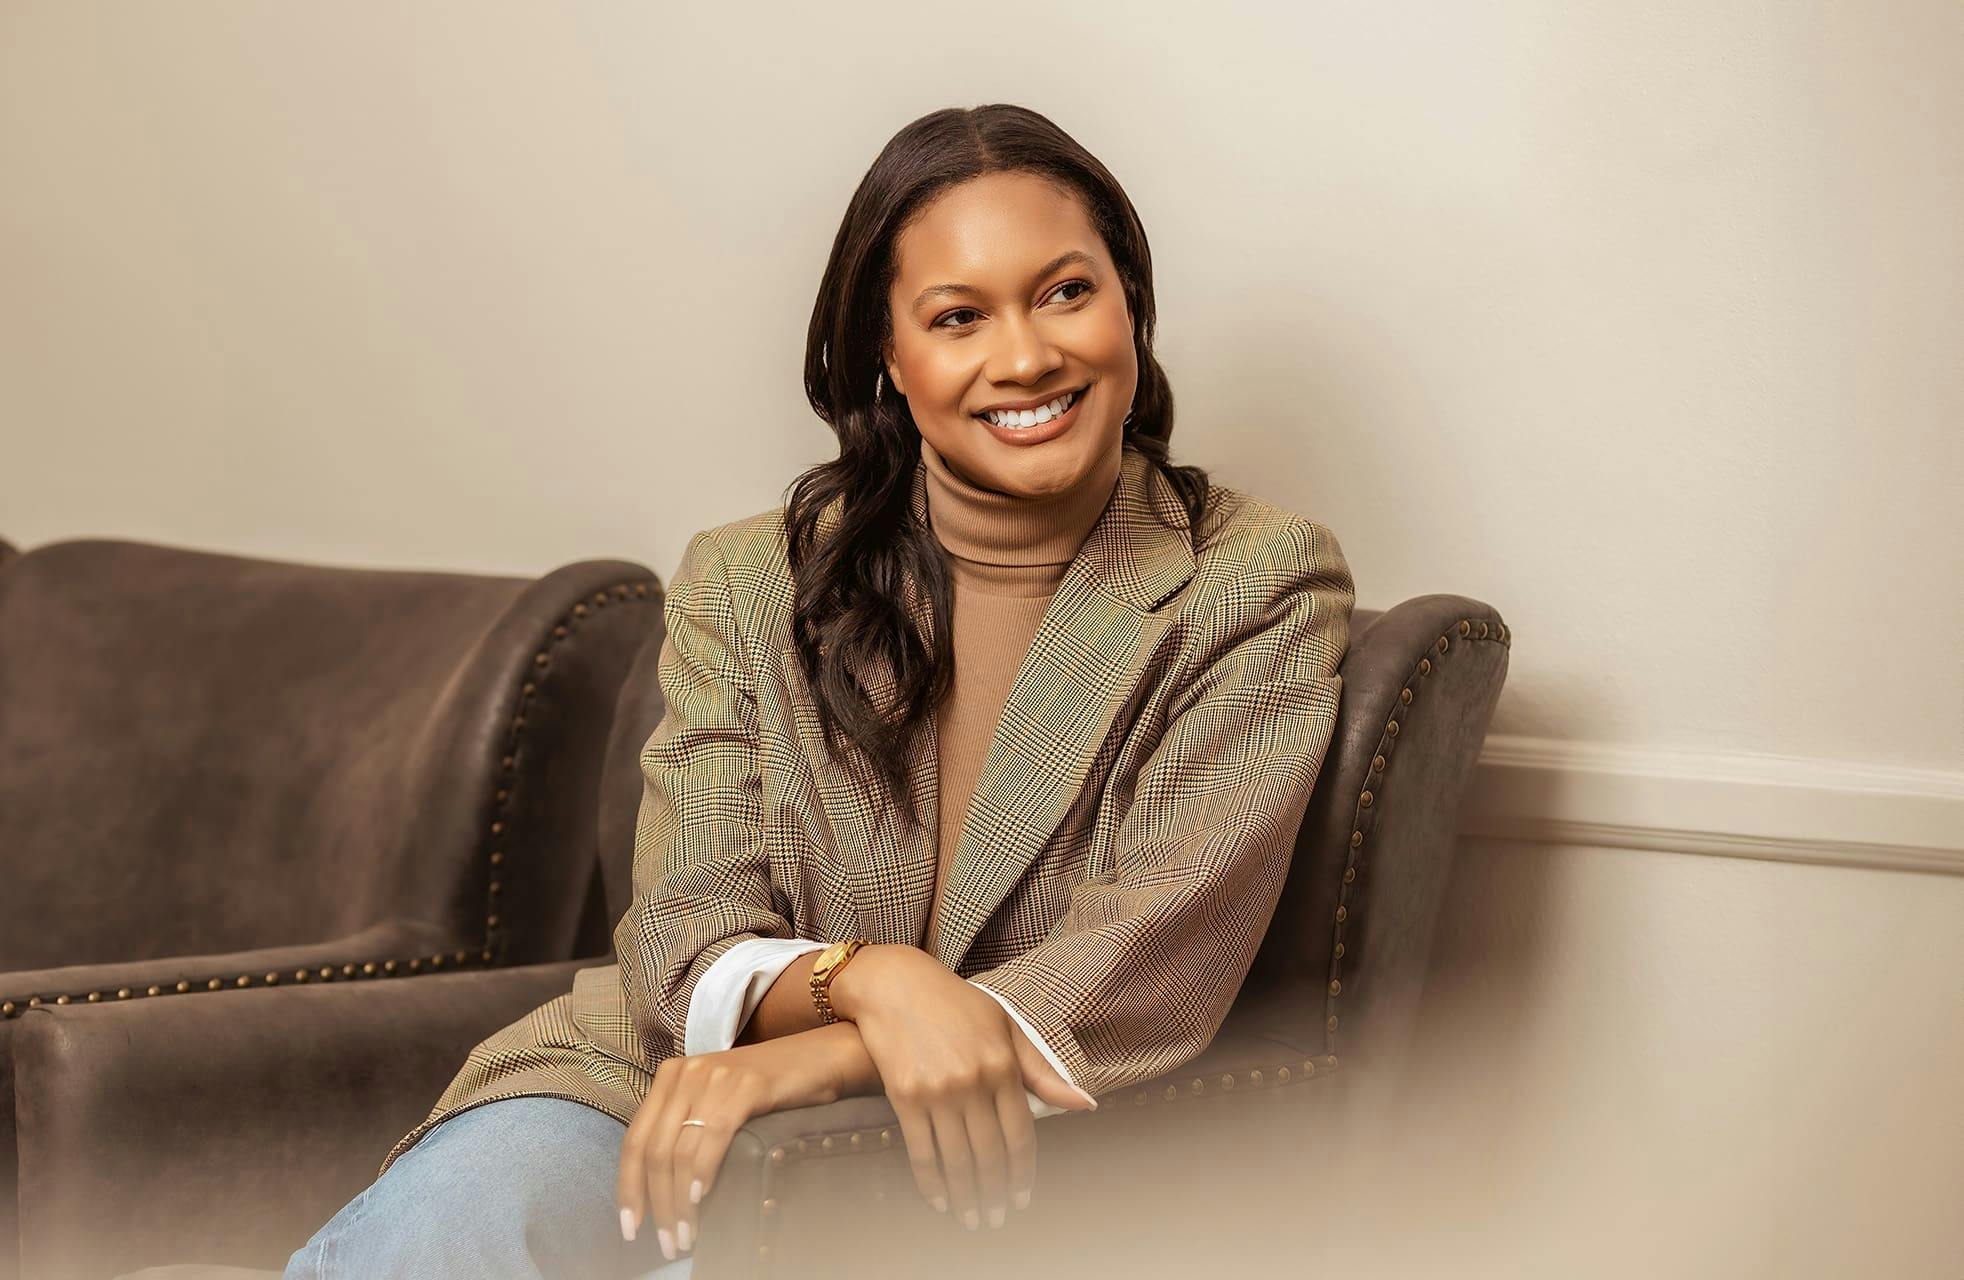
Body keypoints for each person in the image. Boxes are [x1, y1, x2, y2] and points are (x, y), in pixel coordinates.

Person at [284, 101, 1353, 1280]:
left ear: (1130, 305)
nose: (1025, 355)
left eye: (1065, 291)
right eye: (957, 316)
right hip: (649, 1070)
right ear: (888, 360)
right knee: (444, 1231)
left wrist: (810, 1061)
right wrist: (873, 983)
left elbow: (1147, 954)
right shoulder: (744, 580)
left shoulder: (1253, 579)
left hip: (963, 1145)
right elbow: (687, 927)